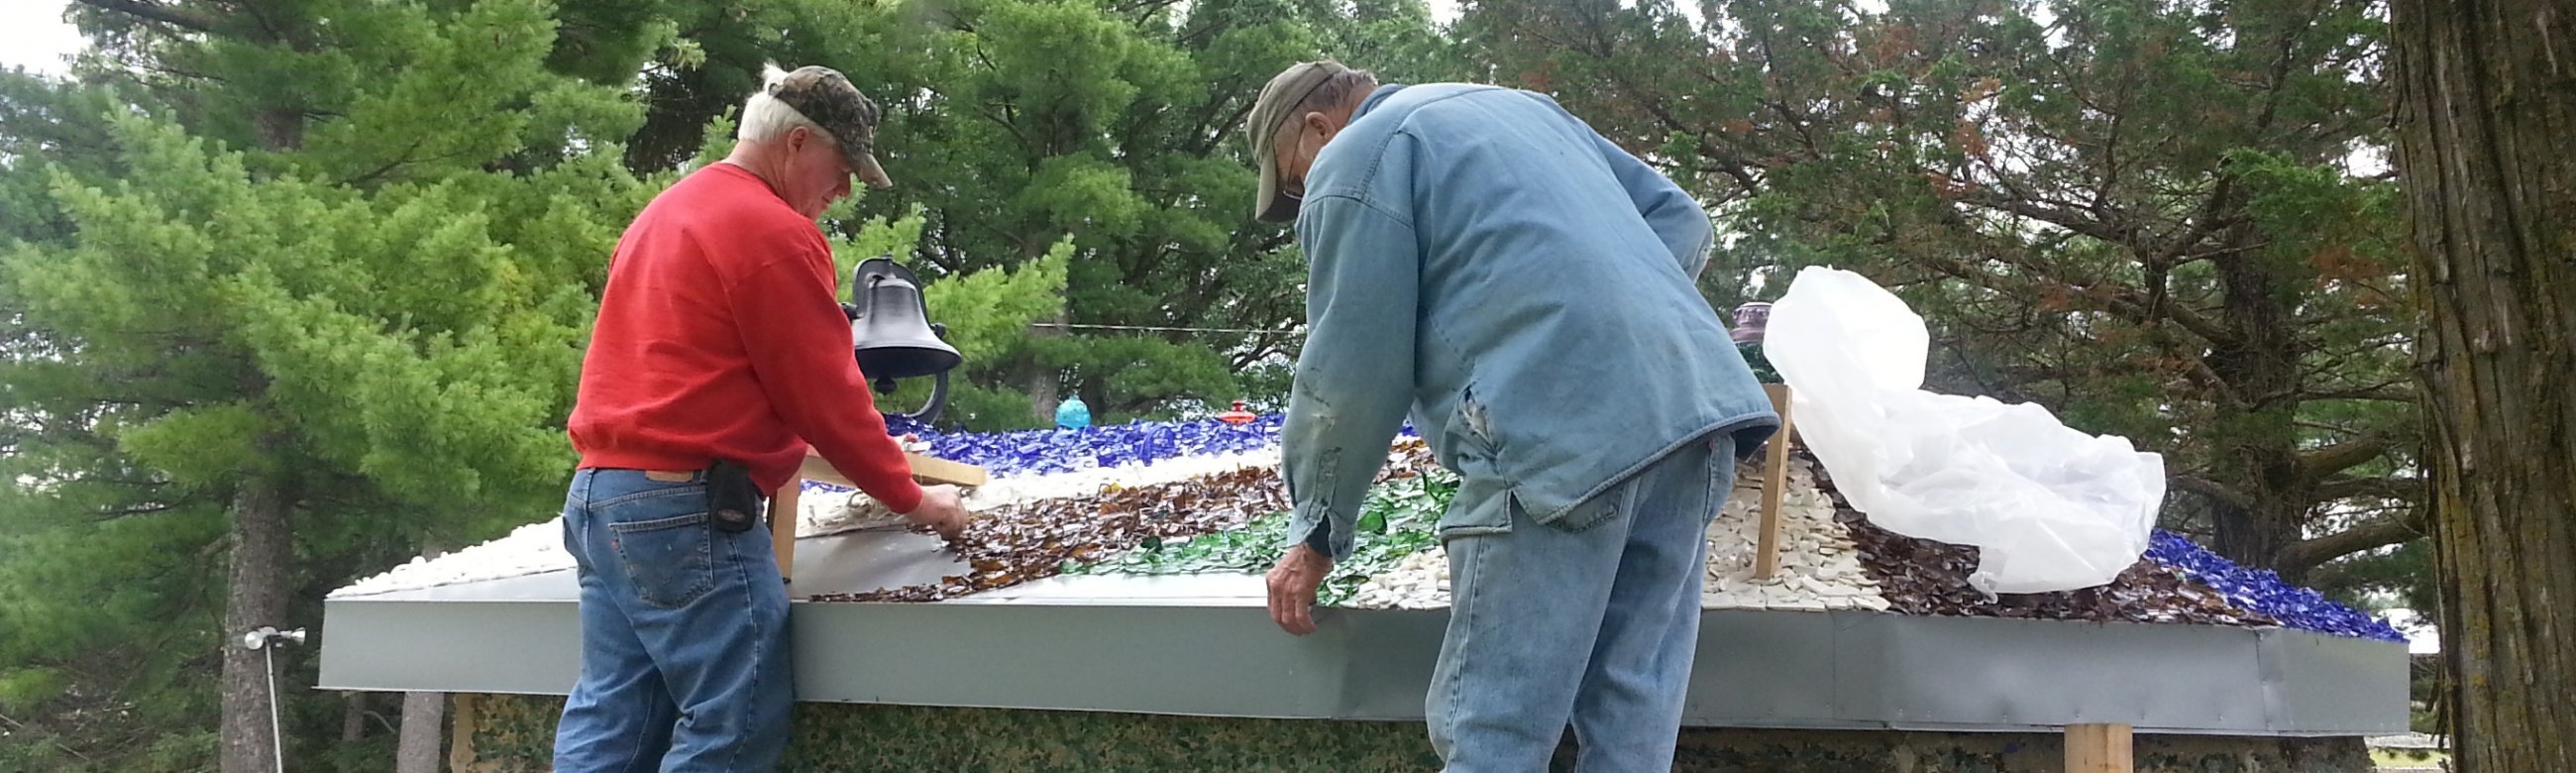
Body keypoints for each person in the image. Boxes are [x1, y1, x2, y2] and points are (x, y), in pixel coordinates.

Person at [1246, 60, 1779, 772]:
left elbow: (1349, 368)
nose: (1304, 199)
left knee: (1496, 735)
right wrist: (1604, 326)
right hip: (1696, 414)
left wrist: (1316, 530)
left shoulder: (1357, 153)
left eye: (1292, 181)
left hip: (1556, 436)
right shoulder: (1524, 111)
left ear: (1316, 127)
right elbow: (1680, 218)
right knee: (1630, 722)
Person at [553, 63, 973, 772]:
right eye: (842, 168)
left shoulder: (667, 211)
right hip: (687, 508)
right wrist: (915, 496)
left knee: (616, 720)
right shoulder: (770, 230)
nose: (841, 192)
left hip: (603, 499)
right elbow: (826, 399)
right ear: (799, 143)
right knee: (735, 724)